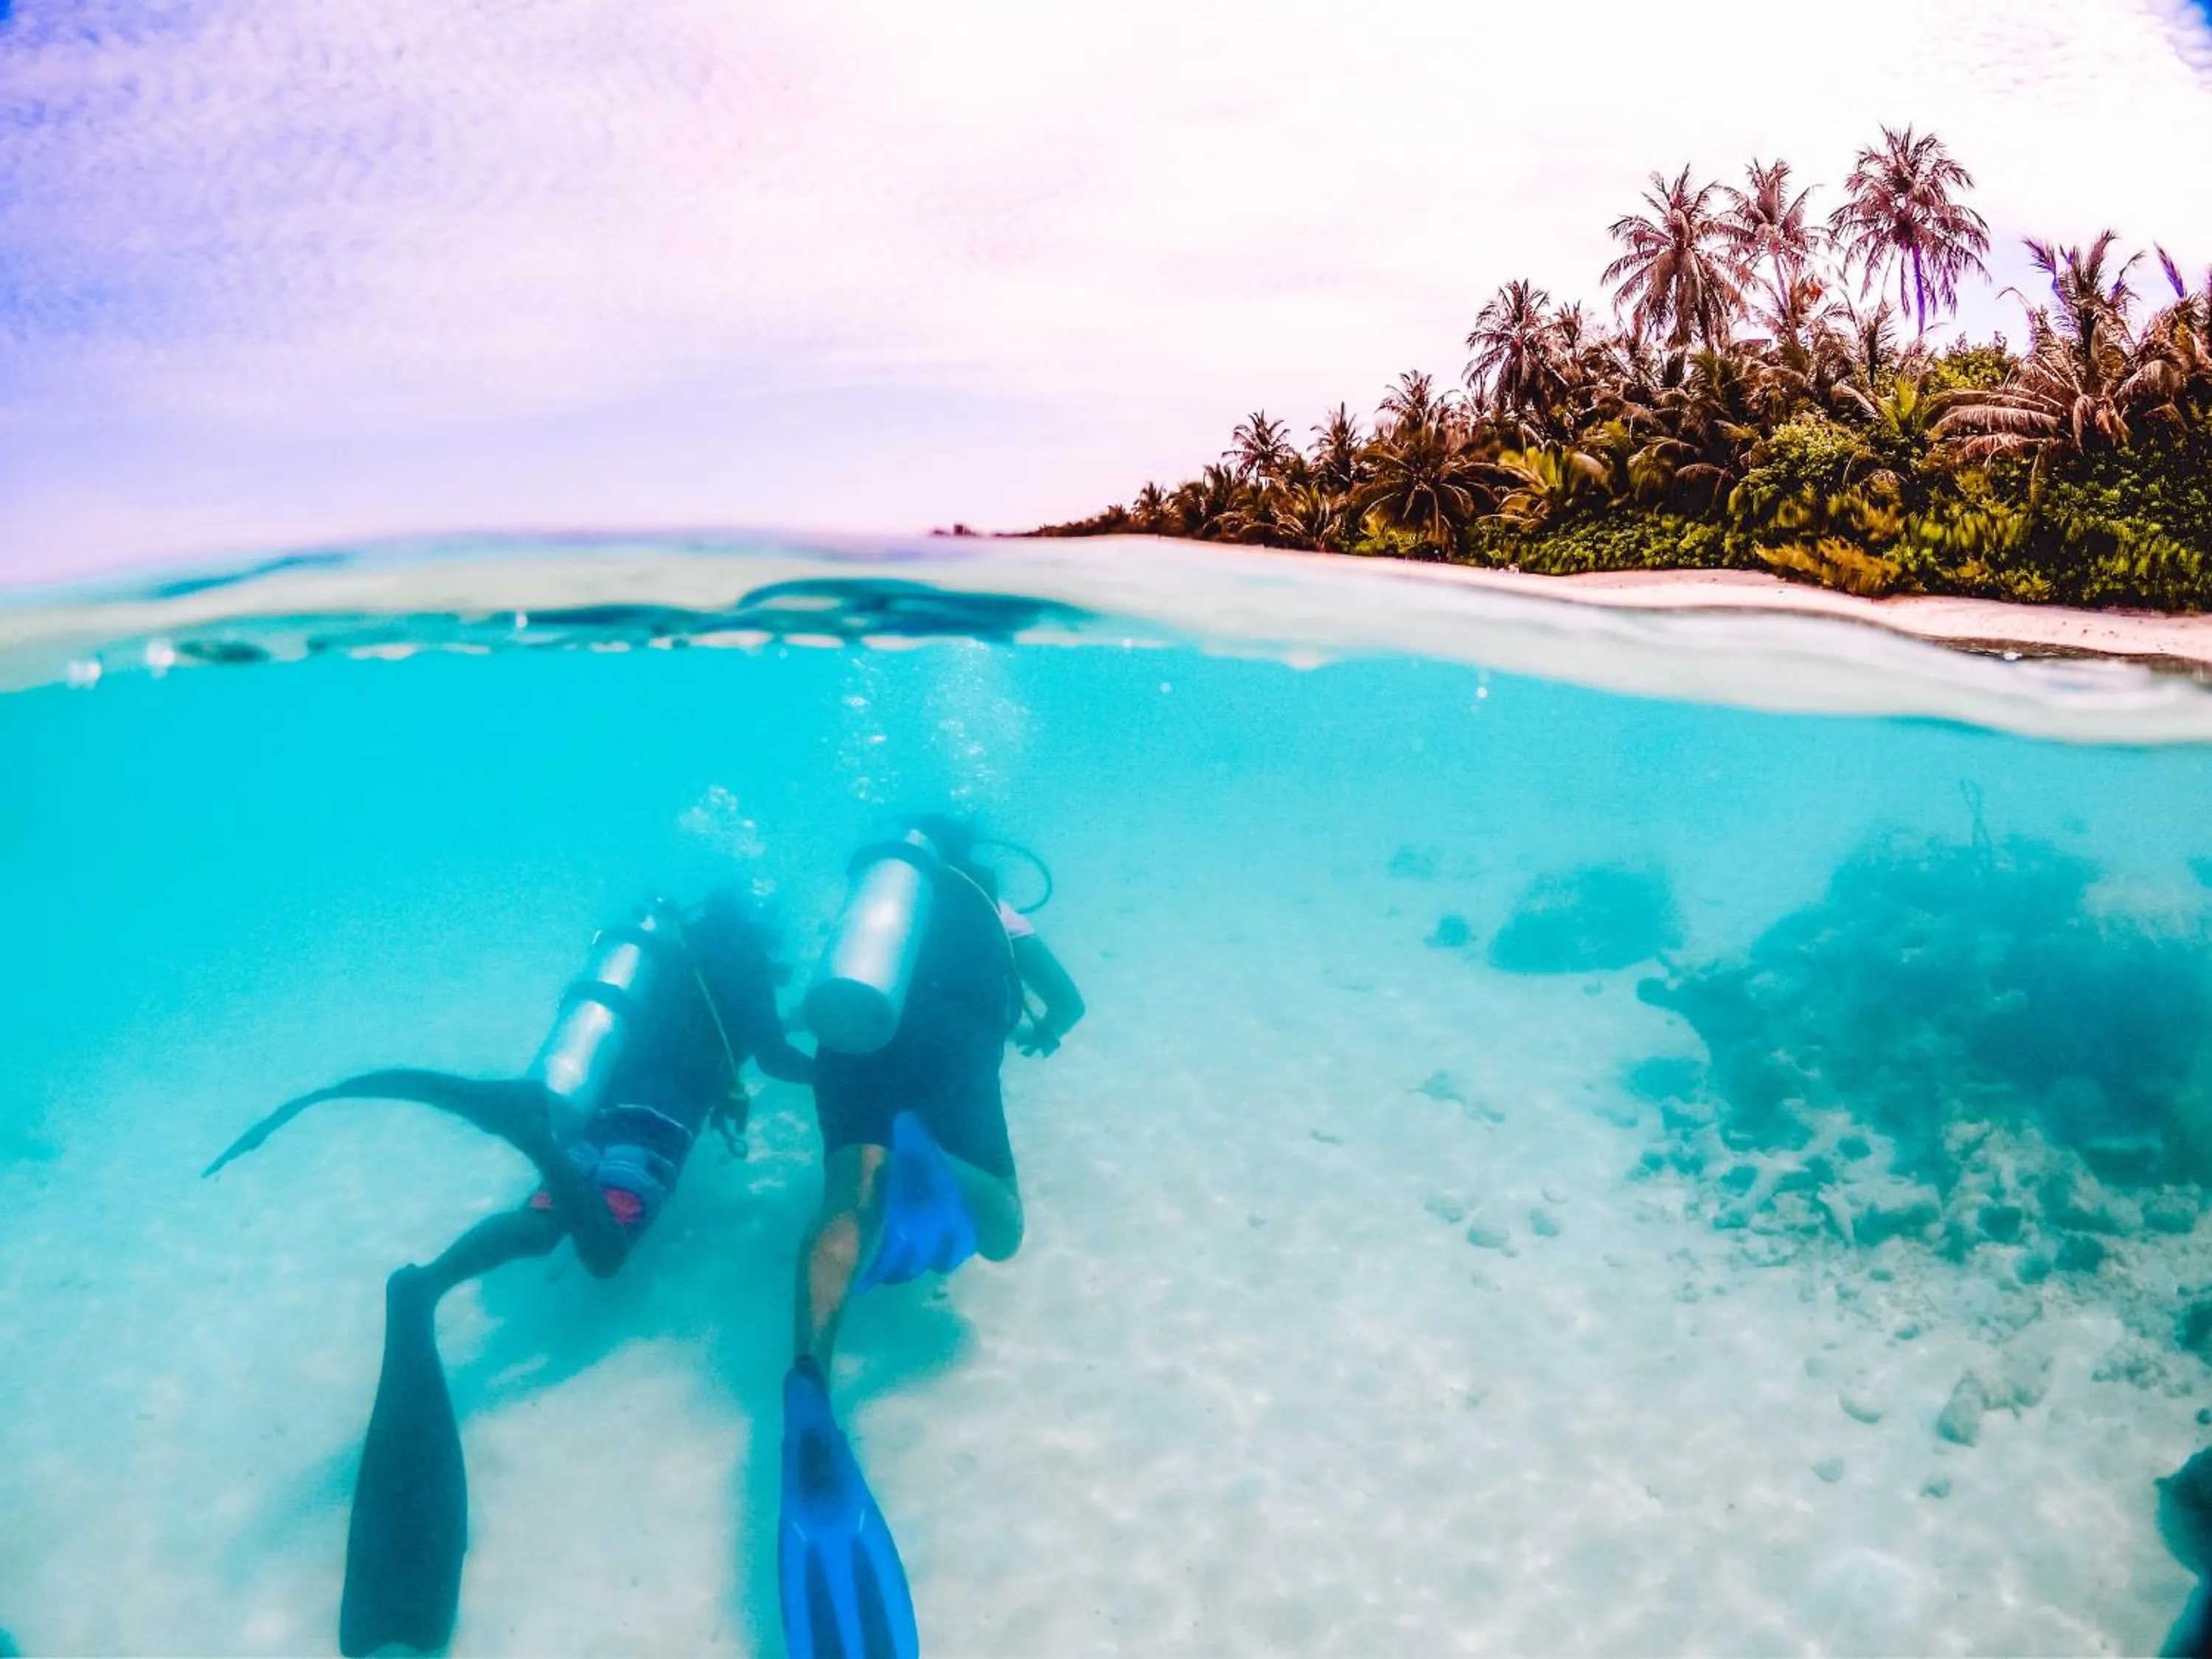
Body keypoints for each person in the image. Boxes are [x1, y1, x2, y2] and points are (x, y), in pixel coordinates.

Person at [204, 886, 813, 1659]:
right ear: (757, 933)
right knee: (605, 1252)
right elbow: (774, 1053)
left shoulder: (657, 961)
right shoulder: (740, 969)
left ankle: (424, 1283)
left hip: (591, 1111)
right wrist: (849, 1065)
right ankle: (532, 1142)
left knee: (548, 1221)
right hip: (652, 1128)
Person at [777, 816, 1083, 1659]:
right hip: (956, 1036)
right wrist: (1042, 1031)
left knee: (848, 1193)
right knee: (1003, 1230)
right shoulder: (989, 903)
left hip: (856, 1030)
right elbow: (1071, 1001)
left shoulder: (868, 916)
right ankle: (937, 1166)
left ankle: (808, 1377)